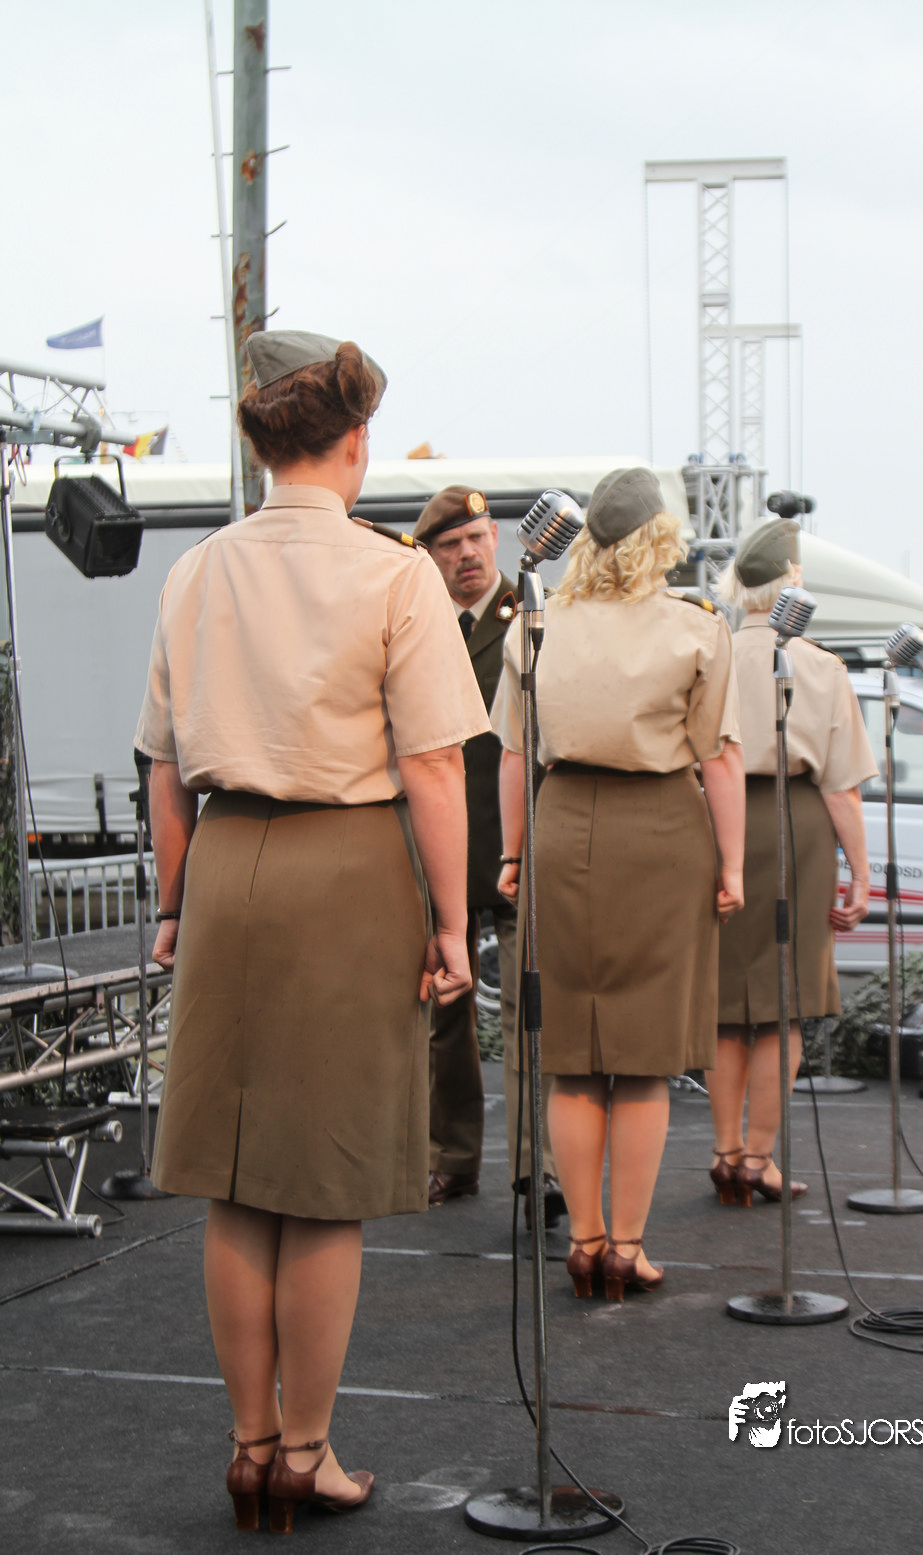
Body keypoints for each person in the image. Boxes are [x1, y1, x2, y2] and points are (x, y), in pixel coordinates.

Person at [135, 331, 489, 1533]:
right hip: (347, 873)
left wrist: (173, 904)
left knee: (237, 1184)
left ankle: (247, 1449)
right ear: (354, 439)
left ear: (257, 441)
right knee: (323, 1185)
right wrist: (452, 925)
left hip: (226, 862)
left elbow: (163, 764)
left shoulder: (195, 573)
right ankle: (305, 1452)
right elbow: (431, 766)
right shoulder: (393, 575)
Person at [492, 468, 745, 1300]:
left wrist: (511, 855)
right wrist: (732, 864)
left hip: (562, 824)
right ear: (658, 540)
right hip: (662, 831)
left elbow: (513, 754)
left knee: (570, 1059)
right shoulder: (695, 627)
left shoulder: (536, 625)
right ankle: (626, 1247)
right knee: (639, 1062)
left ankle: (584, 1239)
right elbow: (719, 758)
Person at [705, 519, 876, 1206]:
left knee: (724, 1006)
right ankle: (758, 1158)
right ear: (793, 580)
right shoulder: (819, 665)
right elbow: (840, 787)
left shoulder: (709, 651)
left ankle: (724, 1153)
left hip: (717, 822)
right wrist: (860, 873)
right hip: (795, 825)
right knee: (786, 1006)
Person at [413, 487, 564, 1225]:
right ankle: (452, 1157)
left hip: (513, 842)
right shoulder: (417, 623)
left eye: (475, 538)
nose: (466, 555)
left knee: (527, 1011)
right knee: (444, 1014)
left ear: (496, 536)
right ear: (431, 557)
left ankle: (537, 1170)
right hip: (440, 845)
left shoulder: (532, 615)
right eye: (449, 545)